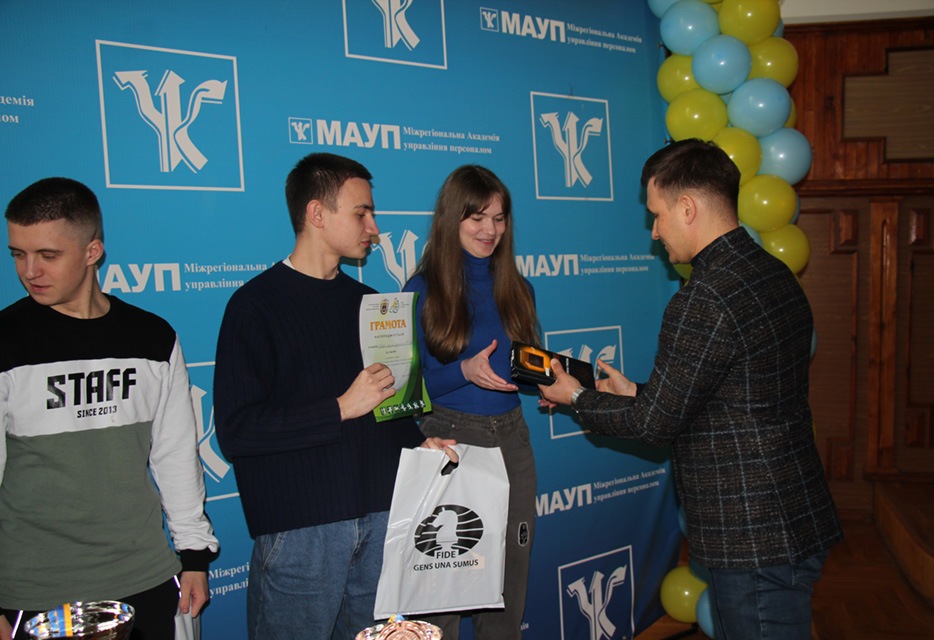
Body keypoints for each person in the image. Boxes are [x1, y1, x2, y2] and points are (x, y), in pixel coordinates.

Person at [539, 139, 843, 640]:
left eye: (657, 215)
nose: (655, 231)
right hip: (791, 516)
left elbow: (655, 426)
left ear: (687, 208)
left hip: (752, 535)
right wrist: (638, 392)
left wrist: (575, 396)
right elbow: (735, 395)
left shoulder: (703, 297)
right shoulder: (773, 272)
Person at [213, 152, 456, 640]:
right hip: (303, 533)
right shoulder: (254, 306)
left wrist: (420, 443)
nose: (374, 228)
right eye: (361, 213)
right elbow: (238, 432)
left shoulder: (370, 305)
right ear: (317, 214)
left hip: (383, 521)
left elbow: (389, 408)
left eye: (372, 214)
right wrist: (340, 408)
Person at [0, 178, 219, 640]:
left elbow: (176, 455)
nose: (29, 270)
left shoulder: (152, 338)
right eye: (18, 254)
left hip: (147, 576)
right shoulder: (7, 341)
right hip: (36, 591)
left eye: (48, 255)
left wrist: (194, 557)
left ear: (92, 251)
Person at [402, 165, 540, 640]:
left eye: (499, 219)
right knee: (443, 585)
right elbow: (402, 393)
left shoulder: (519, 289)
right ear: (452, 218)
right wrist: (462, 371)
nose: (490, 230)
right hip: (449, 443)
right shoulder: (421, 290)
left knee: (509, 580)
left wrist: (549, 386)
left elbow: (516, 372)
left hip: (512, 441)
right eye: (477, 218)